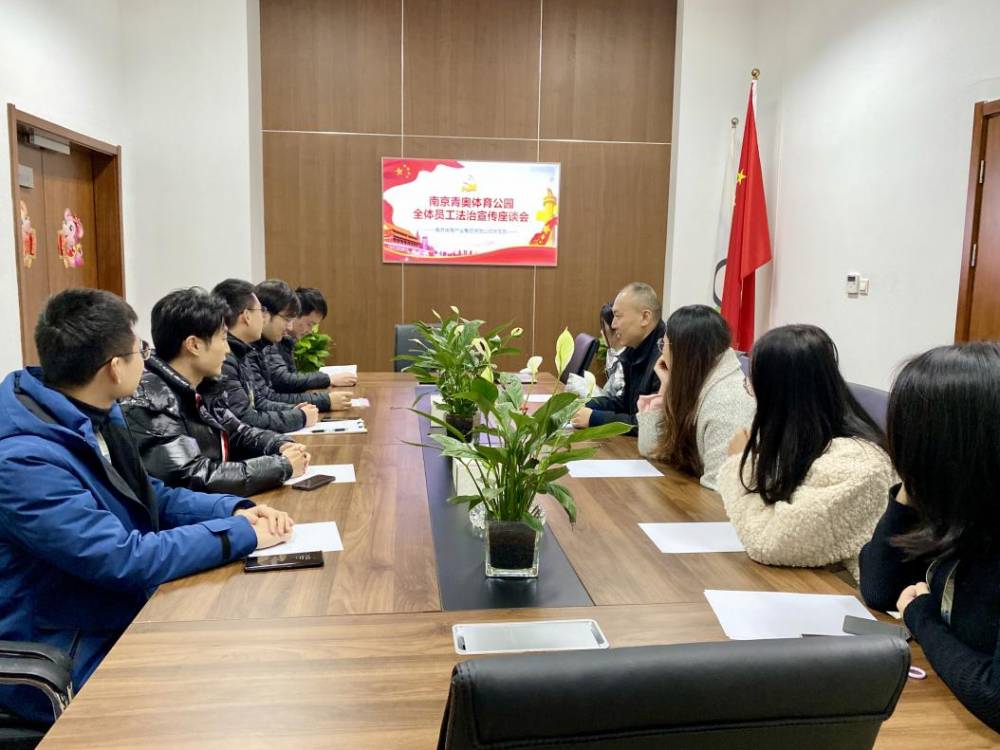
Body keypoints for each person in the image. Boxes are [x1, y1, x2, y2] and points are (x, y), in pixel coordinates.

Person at [0, 289, 294, 724]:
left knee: (254, 649)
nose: (148, 360)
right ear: (114, 367)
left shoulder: (92, 414)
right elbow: (122, 560)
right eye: (141, 350)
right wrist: (240, 535)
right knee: (235, 693)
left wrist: (232, 511)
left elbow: (151, 494)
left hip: (114, 613)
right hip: (63, 650)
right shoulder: (24, 462)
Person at [860, 343, 1000, 733]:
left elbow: (995, 698)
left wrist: (921, 617)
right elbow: (881, 589)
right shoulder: (966, 507)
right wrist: (909, 490)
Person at [717, 324, 892, 581]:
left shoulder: (857, 463)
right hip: (805, 582)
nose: (749, 391)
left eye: (753, 382)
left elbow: (769, 542)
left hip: (843, 593)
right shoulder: (803, 440)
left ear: (778, 393)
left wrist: (739, 464)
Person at [122, 287, 311, 496]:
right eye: (222, 338)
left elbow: (238, 432)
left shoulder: (204, 386)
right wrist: (281, 466)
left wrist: (280, 445)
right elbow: (193, 476)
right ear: (194, 345)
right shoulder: (152, 398)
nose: (227, 349)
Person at [636, 305, 755, 489]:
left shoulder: (727, 402)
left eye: (664, 345)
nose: (662, 353)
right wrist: (666, 387)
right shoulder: (698, 381)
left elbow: (720, 489)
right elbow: (652, 449)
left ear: (682, 352)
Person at [211, 279, 318, 433]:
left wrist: (294, 410)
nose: (264, 318)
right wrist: (299, 417)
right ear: (246, 316)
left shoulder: (242, 351)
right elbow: (244, 419)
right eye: (260, 311)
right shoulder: (227, 358)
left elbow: (258, 401)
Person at [571, 282, 665, 433]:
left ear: (645, 317)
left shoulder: (664, 360)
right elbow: (625, 405)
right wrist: (583, 405)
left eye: (618, 316)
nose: (613, 325)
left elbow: (651, 425)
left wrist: (595, 418)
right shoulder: (634, 350)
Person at [252, 280, 352, 412]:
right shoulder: (262, 344)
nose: (289, 326)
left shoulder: (270, 342)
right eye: (287, 319)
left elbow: (266, 399)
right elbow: (279, 385)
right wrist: (324, 398)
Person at [263, 286, 357, 393]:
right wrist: (329, 380)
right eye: (310, 324)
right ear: (295, 314)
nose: (310, 331)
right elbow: (284, 381)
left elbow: (290, 382)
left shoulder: (286, 341)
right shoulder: (271, 339)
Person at [599, 302, 625, 399]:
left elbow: (615, 401)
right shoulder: (613, 353)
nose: (601, 332)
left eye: (603, 327)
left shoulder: (625, 362)